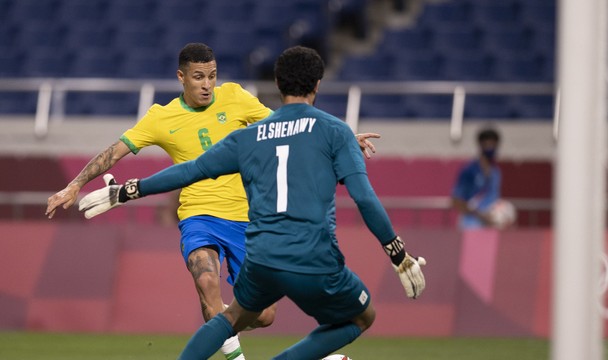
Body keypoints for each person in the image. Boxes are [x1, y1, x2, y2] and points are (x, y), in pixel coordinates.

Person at [76, 46, 427, 360]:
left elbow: (189, 171)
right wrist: (398, 254)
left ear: (277, 83)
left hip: (262, 258)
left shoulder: (247, 136)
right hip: (313, 258)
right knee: (362, 316)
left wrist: (127, 191)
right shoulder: (336, 131)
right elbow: (364, 198)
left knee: (230, 318)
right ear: (318, 84)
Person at [451, 127, 502, 229]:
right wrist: (479, 215)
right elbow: (456, 201)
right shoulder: (469, 170)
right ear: (480, 144)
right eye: (487, 144)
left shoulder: (496, 172)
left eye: (493, 144)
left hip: (491, 226)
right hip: (471, 225)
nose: (490, 148)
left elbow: (494, 199)